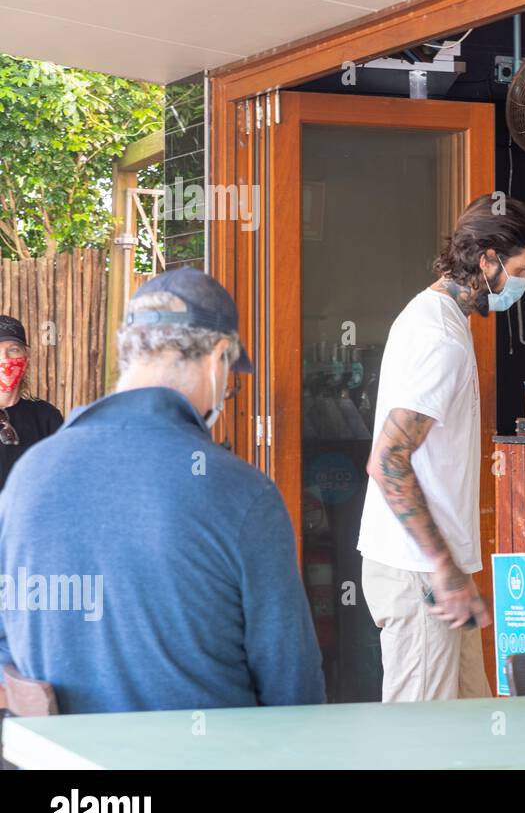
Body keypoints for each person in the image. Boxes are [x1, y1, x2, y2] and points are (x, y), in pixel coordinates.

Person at [0, 269, 325, 714]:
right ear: (218, 357)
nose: (227, 388)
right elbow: (294, 694)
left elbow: (7, 650)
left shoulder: (28, 475)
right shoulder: (243, 493)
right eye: (230, 371)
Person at [359, 194, 525, 701]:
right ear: (487, 260)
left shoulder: (437, 316)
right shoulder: (439, 336)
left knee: (472, 730)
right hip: (420, 571)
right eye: (521, 268)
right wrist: (442, 569)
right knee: (422, 746)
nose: (523, 283)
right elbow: (388, 461)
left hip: (435, 569)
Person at [0, 316, 63, 494]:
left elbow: (59, 477)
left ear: (25, 359)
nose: (4, 359)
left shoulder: (46, 417)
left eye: (13, 350)